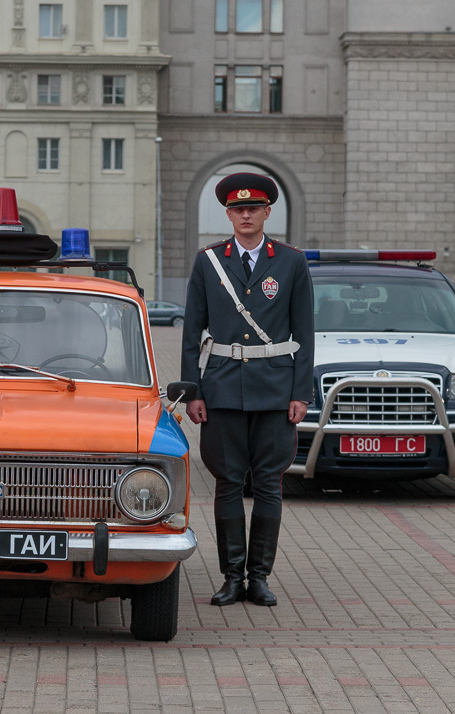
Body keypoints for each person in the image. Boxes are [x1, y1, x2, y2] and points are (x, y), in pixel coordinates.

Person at [180, 173, 315, 607]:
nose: (245, 215)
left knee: (270, 485)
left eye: (253, 208)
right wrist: (193, 392)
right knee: (227, 483)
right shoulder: (209, 261)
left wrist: (302, 393)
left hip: (276, 390)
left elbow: (305, 333)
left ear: (266, 213)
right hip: (221, 389)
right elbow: (191, 331)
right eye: (238, 209)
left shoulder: (291, 262)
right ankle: (231, 578)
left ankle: (259, 578)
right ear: (228, 214)